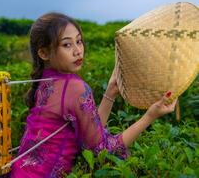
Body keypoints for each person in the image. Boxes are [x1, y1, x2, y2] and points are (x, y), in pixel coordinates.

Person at [10, 12, 177, 177]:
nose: (78, 51)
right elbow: (103, 149)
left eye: (79, 41)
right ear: (44, 53)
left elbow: (91, 135)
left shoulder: (45, 81)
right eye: (67, 45)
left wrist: (110, 93)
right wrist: (150, 116)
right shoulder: (74, 87)